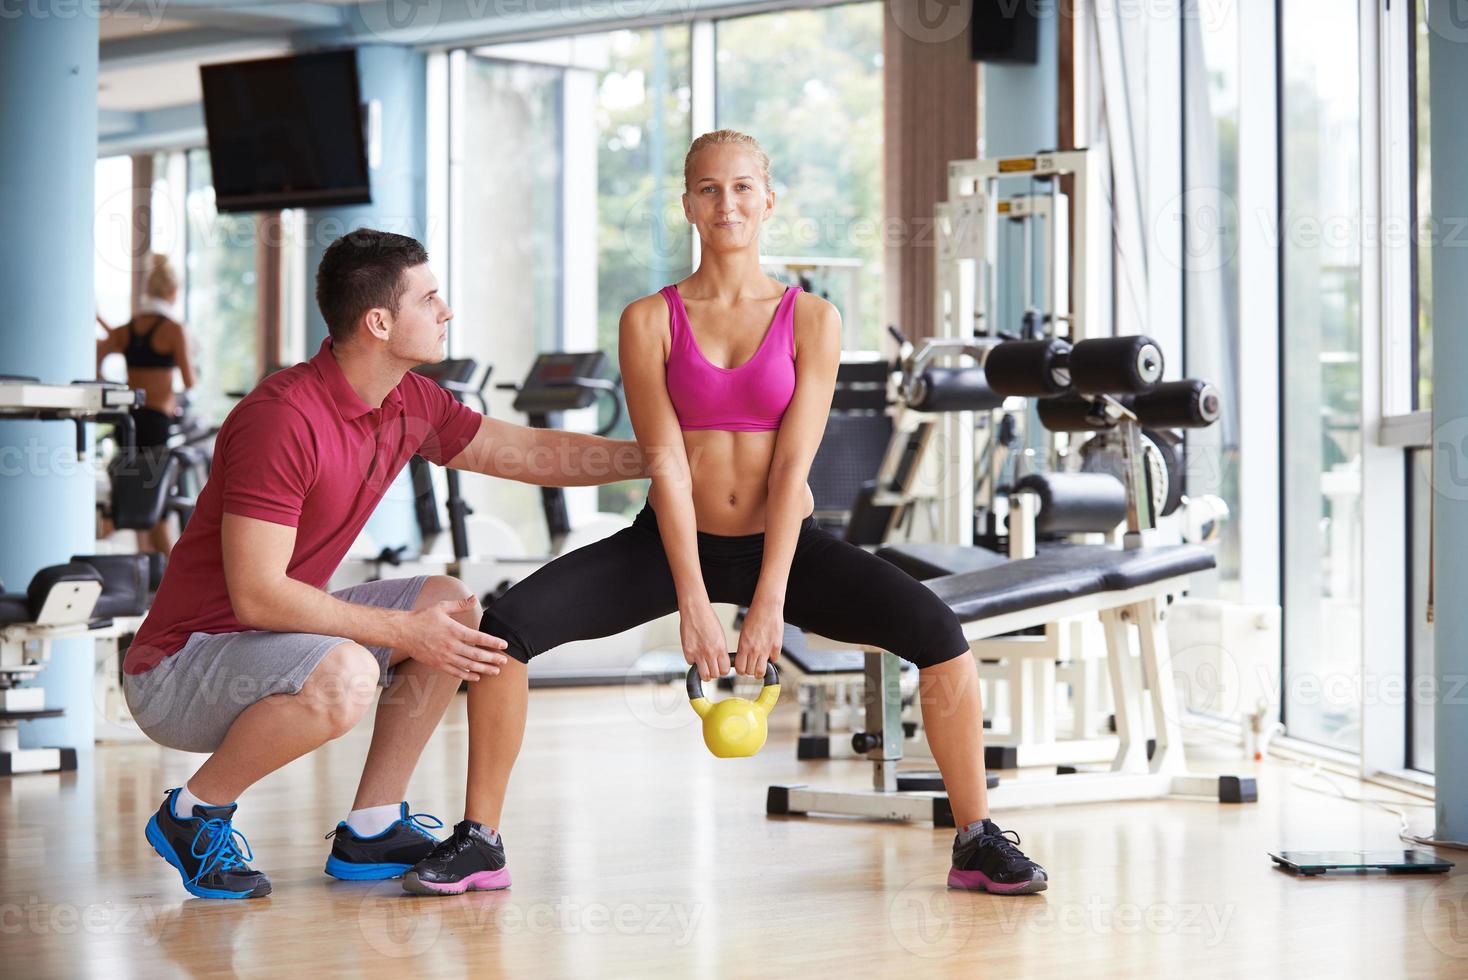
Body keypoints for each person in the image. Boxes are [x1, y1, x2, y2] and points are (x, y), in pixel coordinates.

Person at [403, 131, 1047, 897]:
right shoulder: (651, 320)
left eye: (743, 188)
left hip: (785, 543)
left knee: (940, 636)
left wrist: (768, 599)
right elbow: (666, 463)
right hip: (672, 542)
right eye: (709, 189)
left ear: (768, 201)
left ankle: (975, 837)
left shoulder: (813, 319)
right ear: (688, 206)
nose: (727, 203)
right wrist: (694, 599)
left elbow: (792, 466)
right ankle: (481, 840)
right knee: (504, 635)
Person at [123, 229, 647, 900]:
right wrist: (401, 633)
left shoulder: (409, 400)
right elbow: (255, 597)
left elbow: (531, 453)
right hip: (180, 668)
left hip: (260, 644)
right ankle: (191, 815)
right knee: (348, 673)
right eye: (429, 299)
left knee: (451, 604)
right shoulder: (282, 418)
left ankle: (371, 826)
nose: (445, 311)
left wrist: (656, 455)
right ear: (378, 321)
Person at [96, 253, 197, 555]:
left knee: (132, 501)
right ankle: (172, 580)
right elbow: (190, 380)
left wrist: (116, 388)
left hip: (128, 421)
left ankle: (143, 576)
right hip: (156, 424)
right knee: (157, 508)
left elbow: (96, 358)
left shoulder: (127, 329)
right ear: (171, 291)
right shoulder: (173, 329)